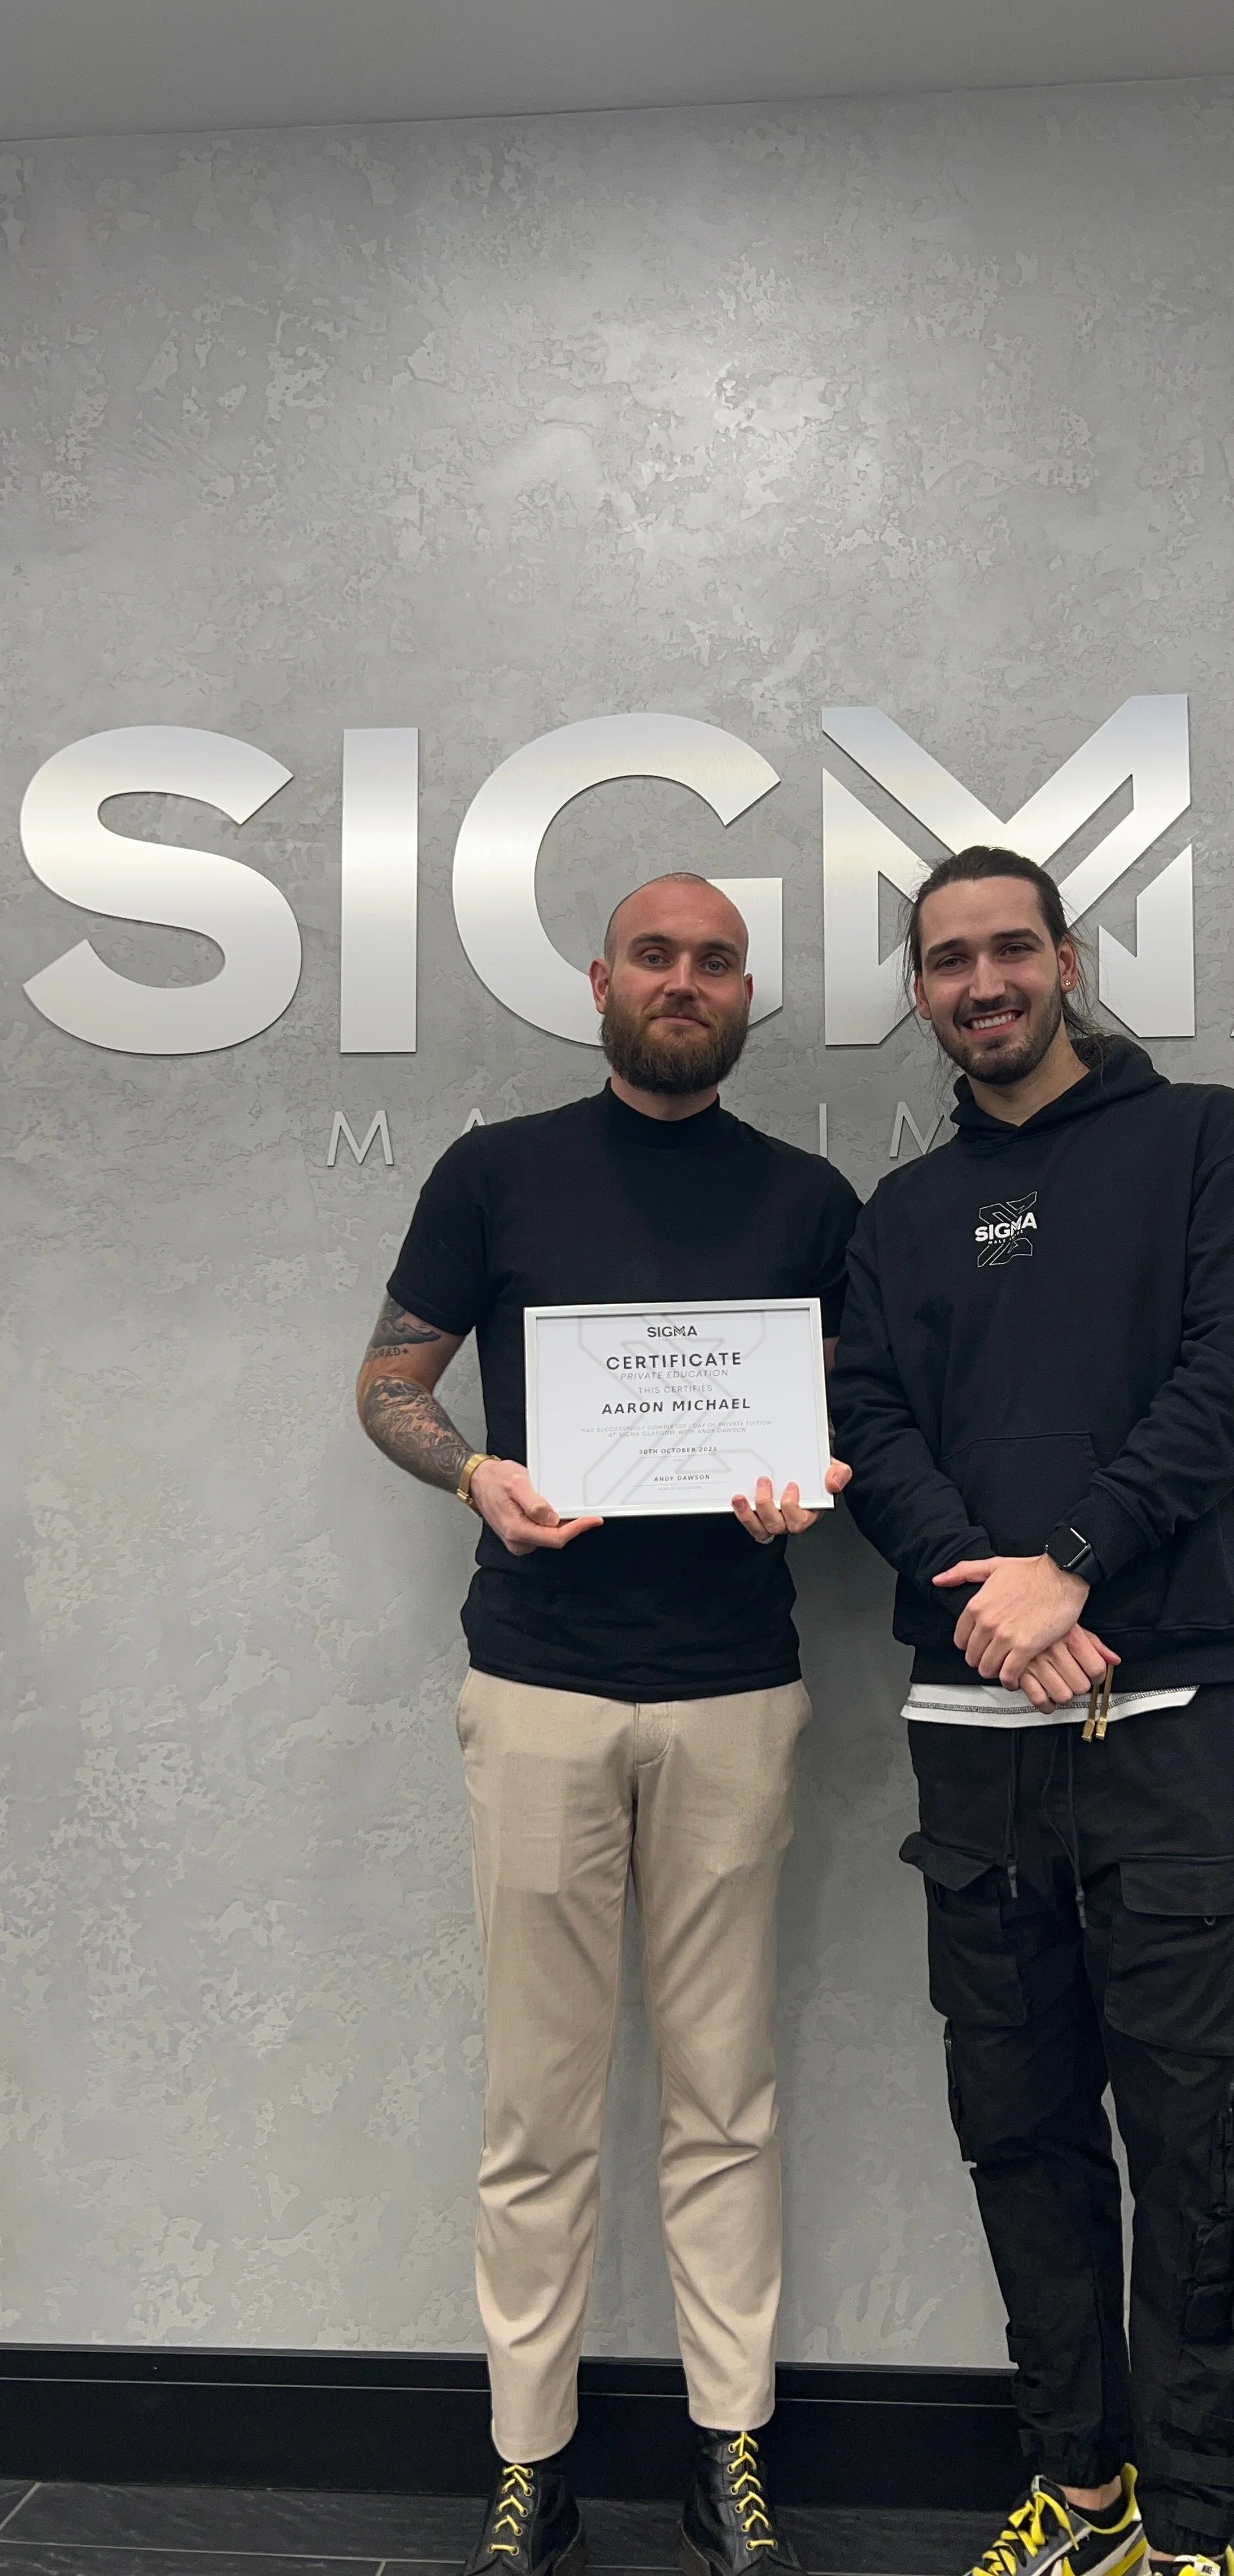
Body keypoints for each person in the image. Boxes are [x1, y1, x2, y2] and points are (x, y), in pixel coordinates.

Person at [356, 874, 859, 2576]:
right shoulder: (493, 1173)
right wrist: (475, 1477)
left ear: (744, 993)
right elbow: (392, 1385)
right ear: (600, 980)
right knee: (537, 2109)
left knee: (727, 2095)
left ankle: (732, 2451)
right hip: (538, 1690)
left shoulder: (809, 1201)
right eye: (656, 955)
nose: (683, 981)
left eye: (715, 961)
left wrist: (817, 1486)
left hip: (734, 1692)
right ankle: (529, 2462)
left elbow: (856, 1415)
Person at [830, 846, 1234, 2576]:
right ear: (919, 994)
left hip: (1173, 1725)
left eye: (1010, 949)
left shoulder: (1202, 1144)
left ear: (1067, 960)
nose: (983, 983)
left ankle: (1191, 2531)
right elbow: (867, 1425)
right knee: (1019, 2133)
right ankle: (1083, 2499)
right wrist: (994, 1593)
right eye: (947, 961)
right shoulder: (899, 1217)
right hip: (975, 1750)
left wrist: (1076, 1563)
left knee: (1199, 2142)